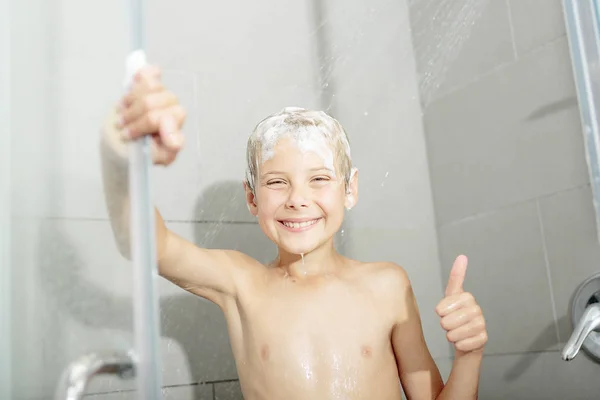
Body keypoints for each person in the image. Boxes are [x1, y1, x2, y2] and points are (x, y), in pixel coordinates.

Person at [100, 65, 488, 400]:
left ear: (349, 189)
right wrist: (119, 158)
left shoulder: (388, 286)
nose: (297, 200)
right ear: (252, 199)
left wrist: (469, 354)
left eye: (319, 179)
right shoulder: (242, 284)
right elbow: (148, 245)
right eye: (277, 183)